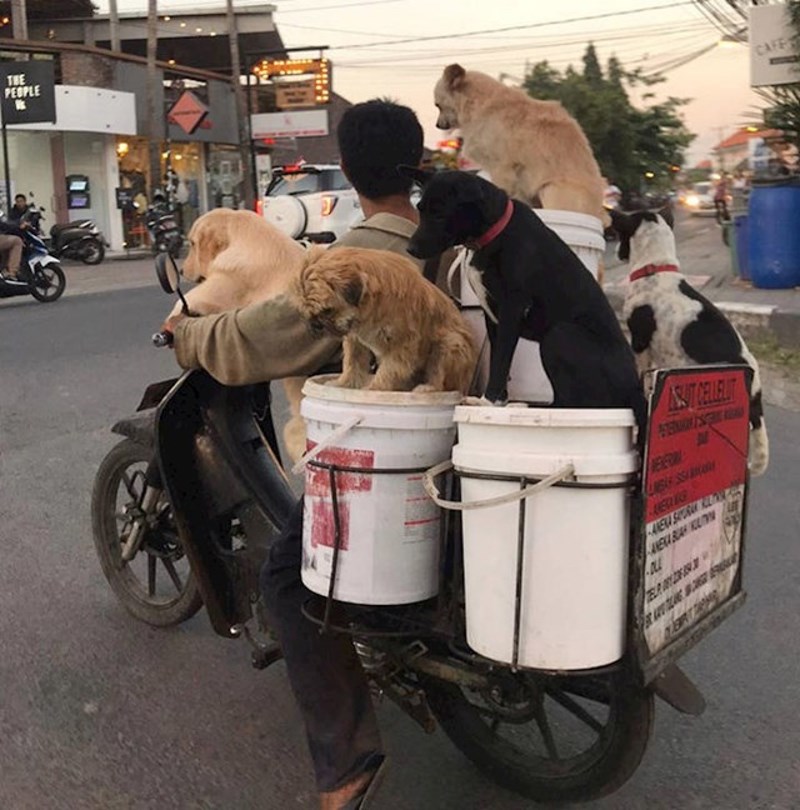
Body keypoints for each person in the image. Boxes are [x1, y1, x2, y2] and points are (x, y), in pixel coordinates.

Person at [162, 99, 426, 809]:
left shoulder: (360, 261)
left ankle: (347, 765)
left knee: (286, 581)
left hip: (387, 451)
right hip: (455, 431)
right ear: (419, 163)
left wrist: (189, 335)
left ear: (350, 170)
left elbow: (268, 336)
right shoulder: (444, 236)